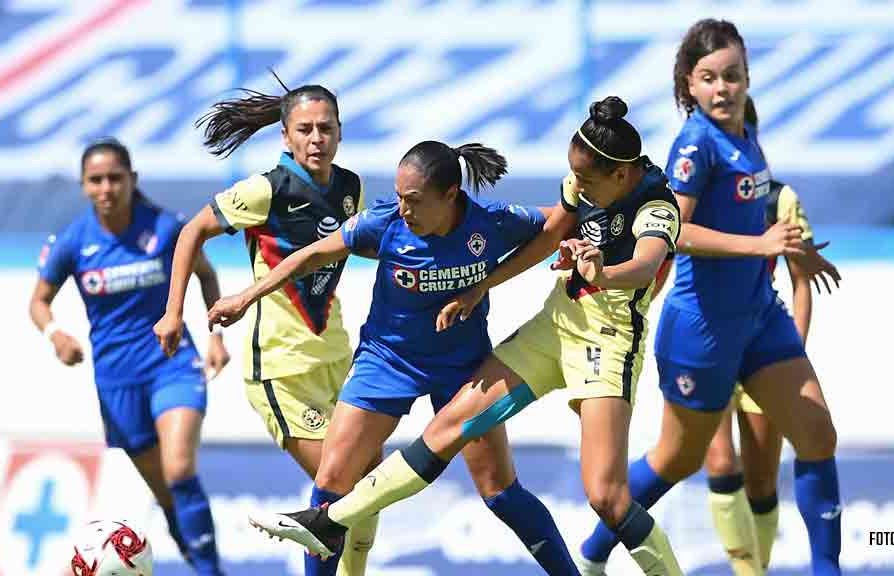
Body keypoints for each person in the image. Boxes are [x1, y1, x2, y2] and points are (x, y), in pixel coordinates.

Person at [228, 96, 687, 575]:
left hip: (592, 343)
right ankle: (325, 523)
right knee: (391, 454)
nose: (579, 193)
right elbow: (555, 230)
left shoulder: (653, 205)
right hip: (440, 350)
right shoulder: (388, 221)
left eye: (588, 183)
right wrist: (482, 286)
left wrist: (602, 271)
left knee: (590, 497)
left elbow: (644, 265)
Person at [209, 139, 583, 575]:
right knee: (331, 484)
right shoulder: (384, 222)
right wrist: (247, 295)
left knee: (500, 490)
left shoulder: (492, 223)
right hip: (387, 361)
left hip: (464, 370)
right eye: (400, 196)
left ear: (450, 196)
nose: (403, 208)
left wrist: (558, 244)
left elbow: (558, 224)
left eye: (414, 200)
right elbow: (311, 255)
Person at [576, 20, 844, 576]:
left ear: (747, 77)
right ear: (689, 85)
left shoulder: (745, 127)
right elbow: (673, 227)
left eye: (732, 75)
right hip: (703, 327)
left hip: (759, 317)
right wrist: (758, 245)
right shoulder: (695, 142)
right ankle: (595, 551)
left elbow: (758, 205)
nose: (723, 88)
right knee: (682, 458)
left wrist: (797, 250)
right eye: (709, 79)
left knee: (818, 434)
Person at [153, 82, 380, 576]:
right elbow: (191, 231)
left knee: (372, 486)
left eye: (326, 128)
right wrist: (175, 312)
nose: (316, 138)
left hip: (338, 356)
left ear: (340, 134)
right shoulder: (266, 190)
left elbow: (352, 248)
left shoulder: (351, 189)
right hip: (281, 367)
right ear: (285, 136)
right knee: (342, 485)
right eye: (305, 129)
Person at [30, 138, 229, 575]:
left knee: (179, 469)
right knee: (166, 494)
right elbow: (39, 301)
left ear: (132, 179)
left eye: (115, 178)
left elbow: (207, 276)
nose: (106, 188)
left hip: (171, 363)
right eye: (96, 180)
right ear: (83, 186)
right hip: (116, 381)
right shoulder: (72, 242)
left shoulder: (166, 228)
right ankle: (200, 565)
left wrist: (215, 335)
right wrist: (55, 333)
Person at [699, 96, 826, 575]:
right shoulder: (694, 198)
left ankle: (759, 567)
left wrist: (791, 349)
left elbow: (802, 282)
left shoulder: (779, 198)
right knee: (719, 463)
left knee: (761, 481)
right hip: (709, 344)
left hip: (761, 347)